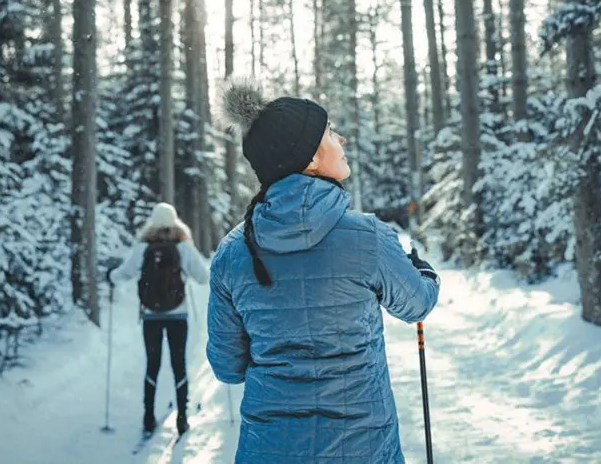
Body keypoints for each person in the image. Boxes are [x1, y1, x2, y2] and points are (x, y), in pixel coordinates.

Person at [207, 79, 441, 463]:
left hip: (269, 450)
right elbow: (415, 305)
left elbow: (228, 367)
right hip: (362, 450)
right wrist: (424, 272)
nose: (342, 140)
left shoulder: (233, 253)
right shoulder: (367, 237)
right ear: (311, 159)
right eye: (331, 133)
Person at [112, 202, 209, 438]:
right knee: (178, 364)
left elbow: (122, 274)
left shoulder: (143, 248)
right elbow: (204, 277)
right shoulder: (183, 248)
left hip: (151, 316)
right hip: (179, 315)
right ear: (175, 222)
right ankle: (182, 418)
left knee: (152, 364)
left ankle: (148, 417)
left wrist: (109, 275)